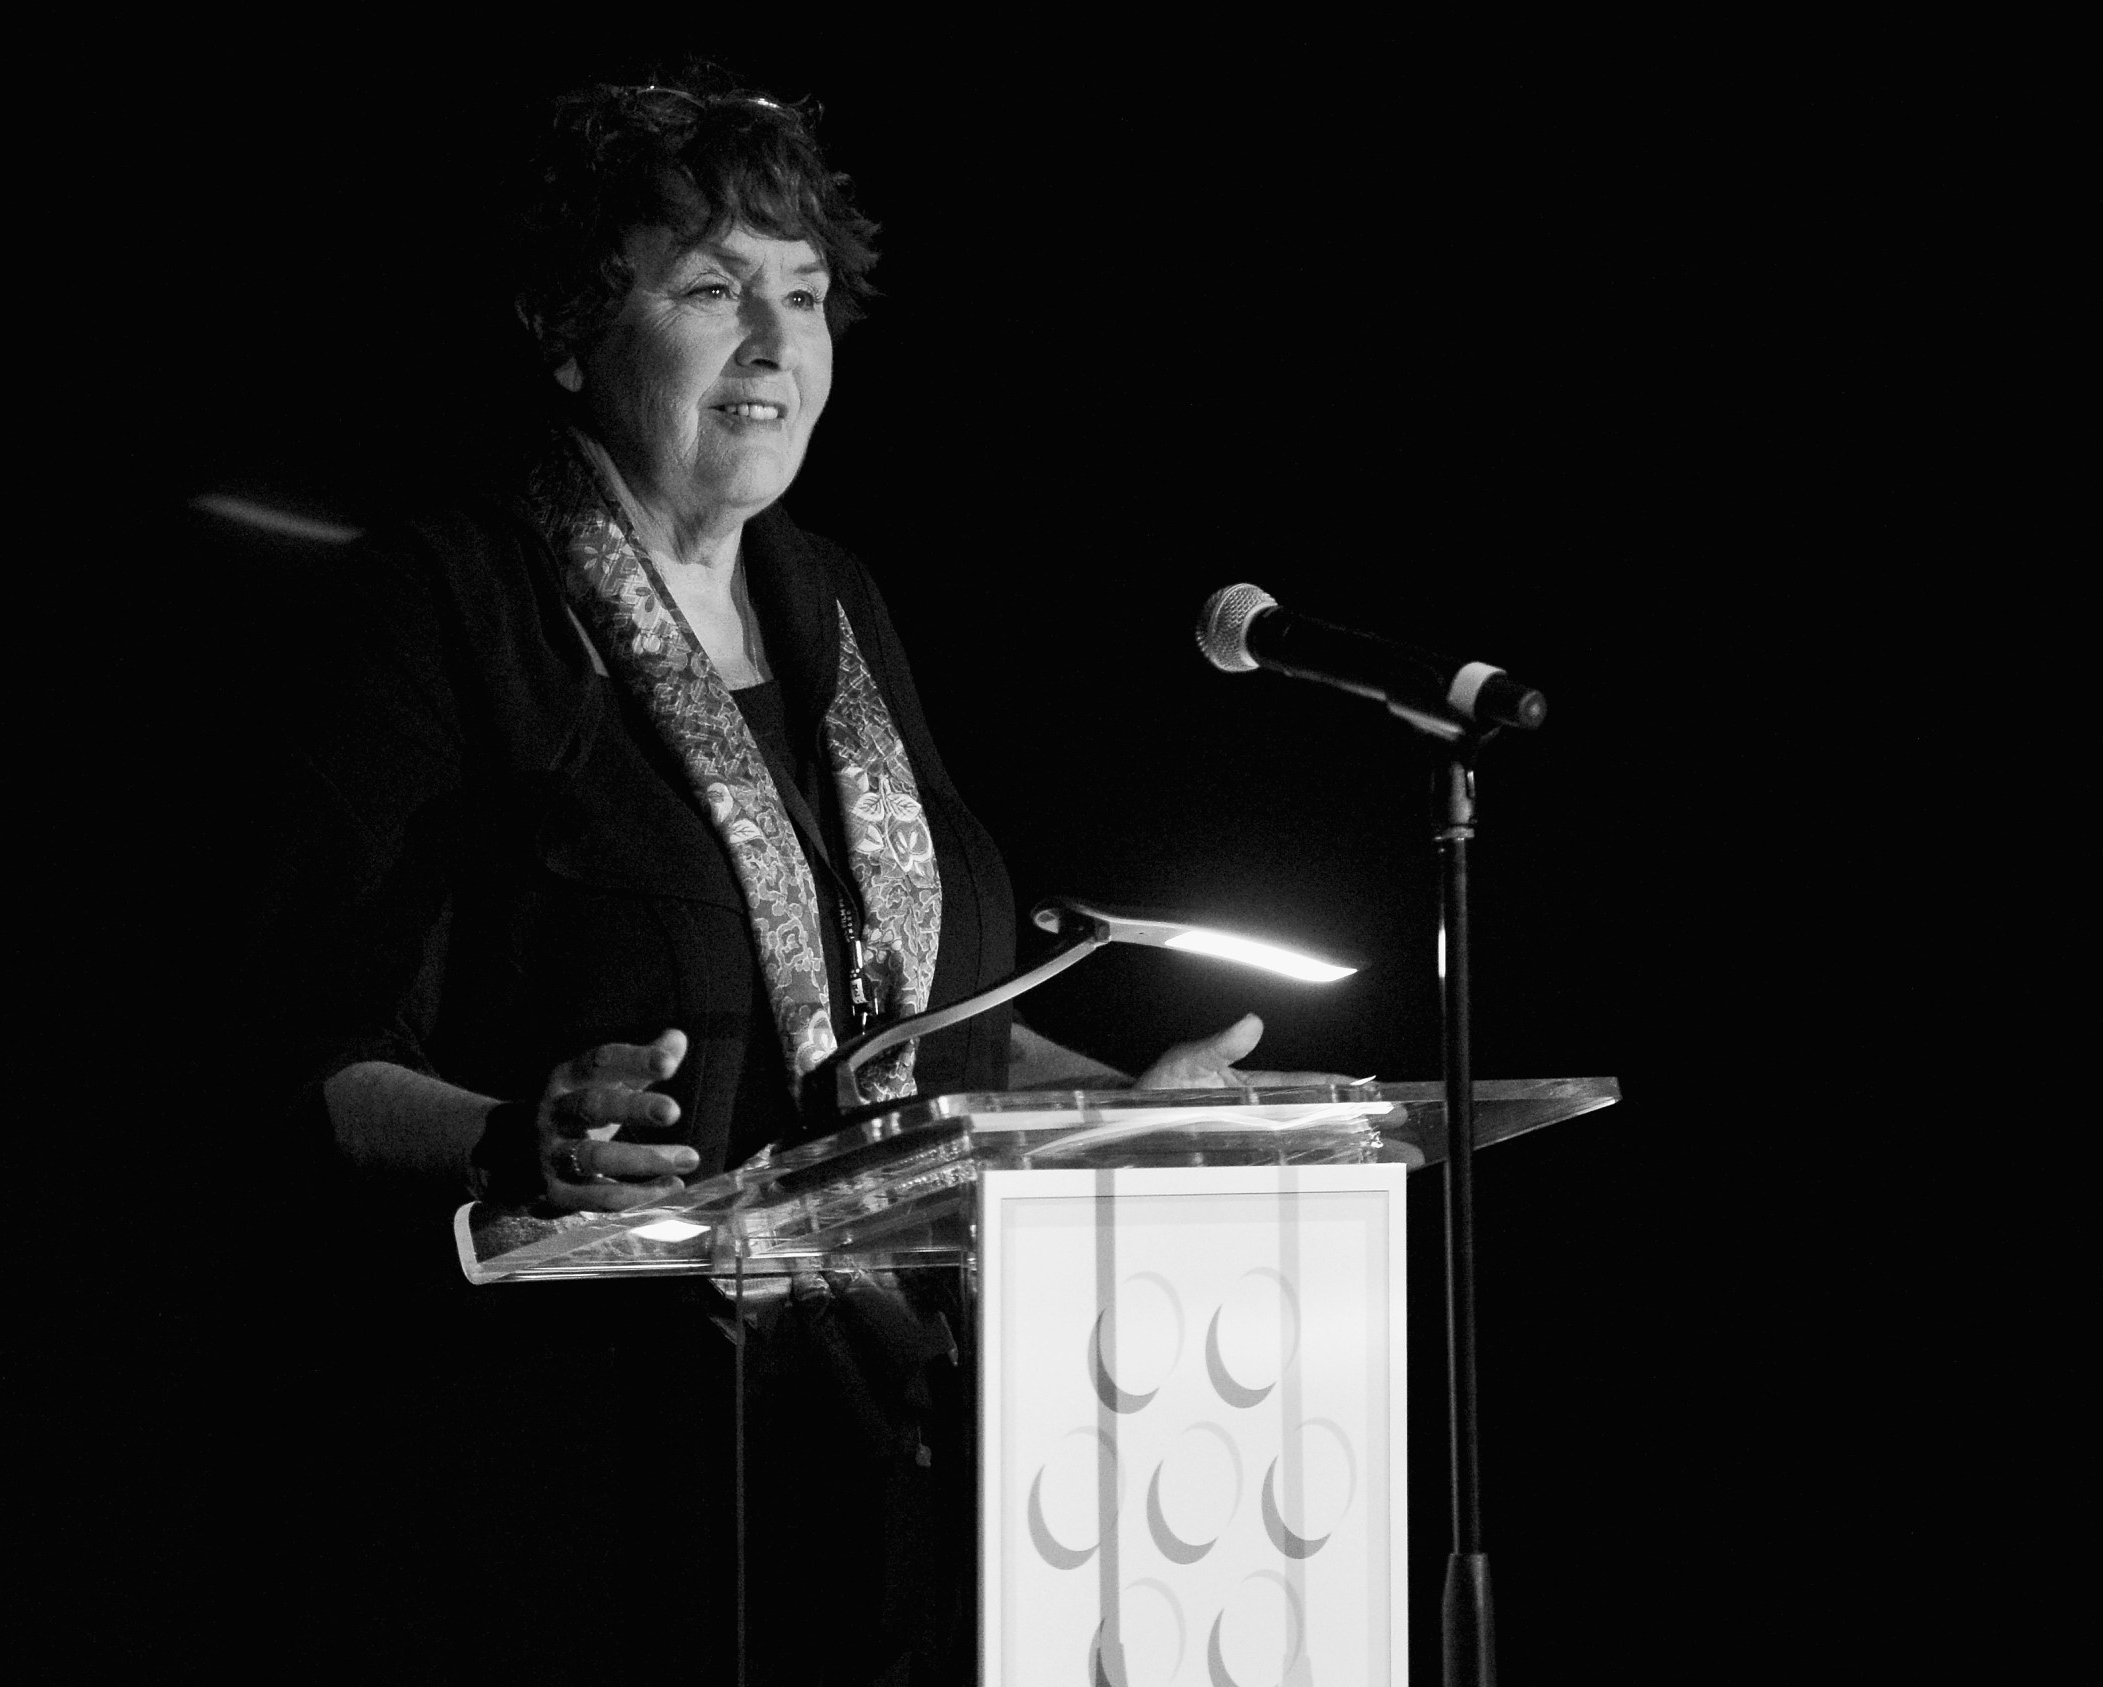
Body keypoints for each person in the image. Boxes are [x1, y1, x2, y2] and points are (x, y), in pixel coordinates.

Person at [263, 76, 1344, 1683]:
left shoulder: (835, 606)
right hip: (590, 1496)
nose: (776, 343)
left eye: (805, 293)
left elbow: (909, 1036)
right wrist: (515, 1137)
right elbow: (296, 1058)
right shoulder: (443, 610)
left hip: (899, 1469)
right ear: (569, 328)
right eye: (710, 290)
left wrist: (1135, 1115)